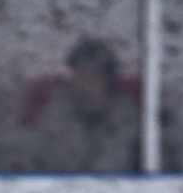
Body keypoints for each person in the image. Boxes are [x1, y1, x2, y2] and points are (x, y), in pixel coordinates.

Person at [28, 37, 140, 173]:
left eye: (93, 78)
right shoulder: (55, 116)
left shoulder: (133, 123)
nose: (84, 86)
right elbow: (35, 164)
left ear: (109, 83)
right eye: (79, 76)